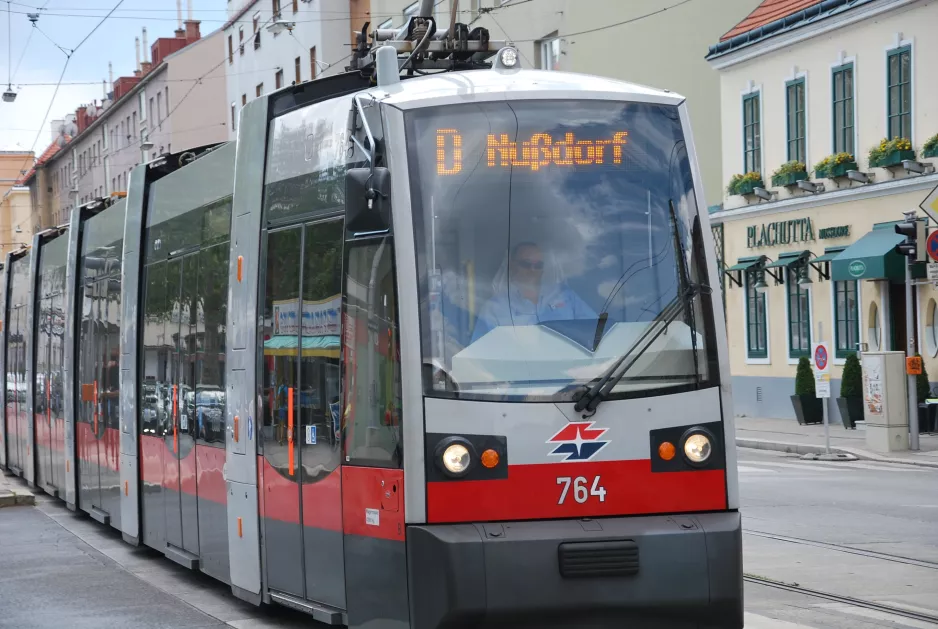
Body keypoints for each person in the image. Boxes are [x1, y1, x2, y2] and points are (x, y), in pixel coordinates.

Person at [471, 241, 597, 342]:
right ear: (512, 266)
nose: (532, 270)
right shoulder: (494, 308)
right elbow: (481, 356)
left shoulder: (565, 295)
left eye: (538, 266)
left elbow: (595, 331)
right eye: (526, 264)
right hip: (517, 373)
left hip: (572, 373)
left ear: (542, 270)